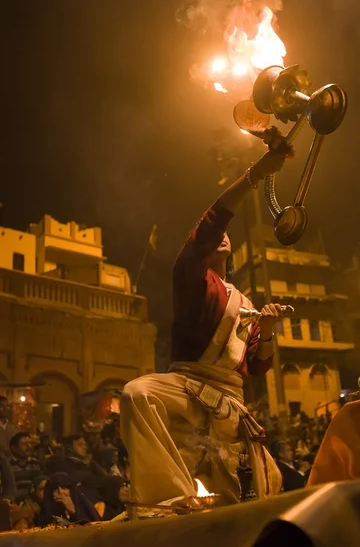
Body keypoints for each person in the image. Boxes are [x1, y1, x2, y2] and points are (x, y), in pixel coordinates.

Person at [121, 133, 292, 506]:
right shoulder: (192, 278)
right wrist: (256, 173)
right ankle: (168, 499)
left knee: (258, 490)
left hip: (230, 400)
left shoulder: (243, 301)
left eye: (226, 236)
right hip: (184, 384)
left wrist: (269, 331)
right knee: (137, 393)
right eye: (214, 236)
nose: (222, 236)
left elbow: (258, 366)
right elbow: (216, 217)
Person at [9, 433, 42, 503]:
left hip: (32, 505)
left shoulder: (35, 464)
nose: (28, 446)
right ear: (14, 448)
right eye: (24, 443)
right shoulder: (8, 465)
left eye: (29, 443)